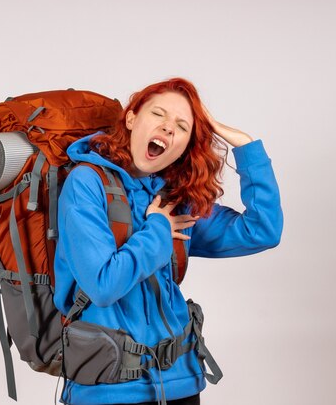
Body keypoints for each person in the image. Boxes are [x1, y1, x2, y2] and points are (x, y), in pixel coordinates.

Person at [53, 78, 283, 405]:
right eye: (158, 114)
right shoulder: (86, 184)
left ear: (187, 144)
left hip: (182, 383)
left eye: (182, 126)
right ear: (132, 119)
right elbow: (103, 285)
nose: (168, 128)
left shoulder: (175, 199)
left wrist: (247, 148)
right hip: (108, 389)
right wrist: (158, 228)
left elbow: (262, 230)